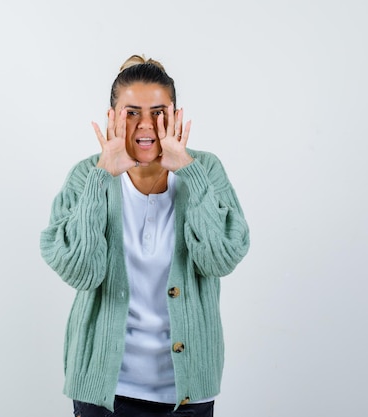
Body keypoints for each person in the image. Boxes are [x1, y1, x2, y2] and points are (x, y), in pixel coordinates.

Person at [39, 54, 250, 417]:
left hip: (187, 395)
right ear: (112, 117)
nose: (146, 124)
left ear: (176, 115)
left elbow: (221, 258)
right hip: (104, 393)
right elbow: (80, 272)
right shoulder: (86, 177)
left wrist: (187, 169)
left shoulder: (205, 171)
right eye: (131, 112)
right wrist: (102, 177)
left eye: (158, 112)